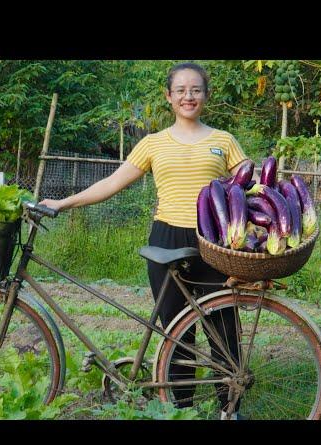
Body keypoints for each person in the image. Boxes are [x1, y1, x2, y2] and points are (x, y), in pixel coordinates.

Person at [39, 62, 248, 419]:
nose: (188, 96)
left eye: (195, 90)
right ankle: (180, 409)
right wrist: (64, 202)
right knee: (175, 328)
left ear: (206, 96)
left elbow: (249, 184)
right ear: (169, 97)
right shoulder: (153, 143)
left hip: (214, 241)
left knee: (223, 325)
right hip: (166, 238)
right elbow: (112, 183)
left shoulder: (223, 140)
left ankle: (229, 408)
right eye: (180, 90)